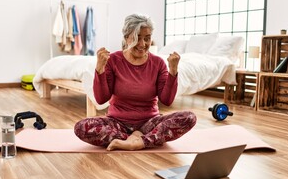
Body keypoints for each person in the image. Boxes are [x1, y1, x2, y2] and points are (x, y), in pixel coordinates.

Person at [74, 14, 197, 151]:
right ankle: (136, 139)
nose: (143, 44)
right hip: (117, 123)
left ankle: (138, 142)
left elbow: (167, 100)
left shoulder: (158, 63)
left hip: (149, 123)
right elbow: (101, 99)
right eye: (137, 38)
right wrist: (99, 69)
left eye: (147, 38)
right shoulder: (113, 60)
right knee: (81, 127)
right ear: (127, 37)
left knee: (189, 117)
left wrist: (173, 71)